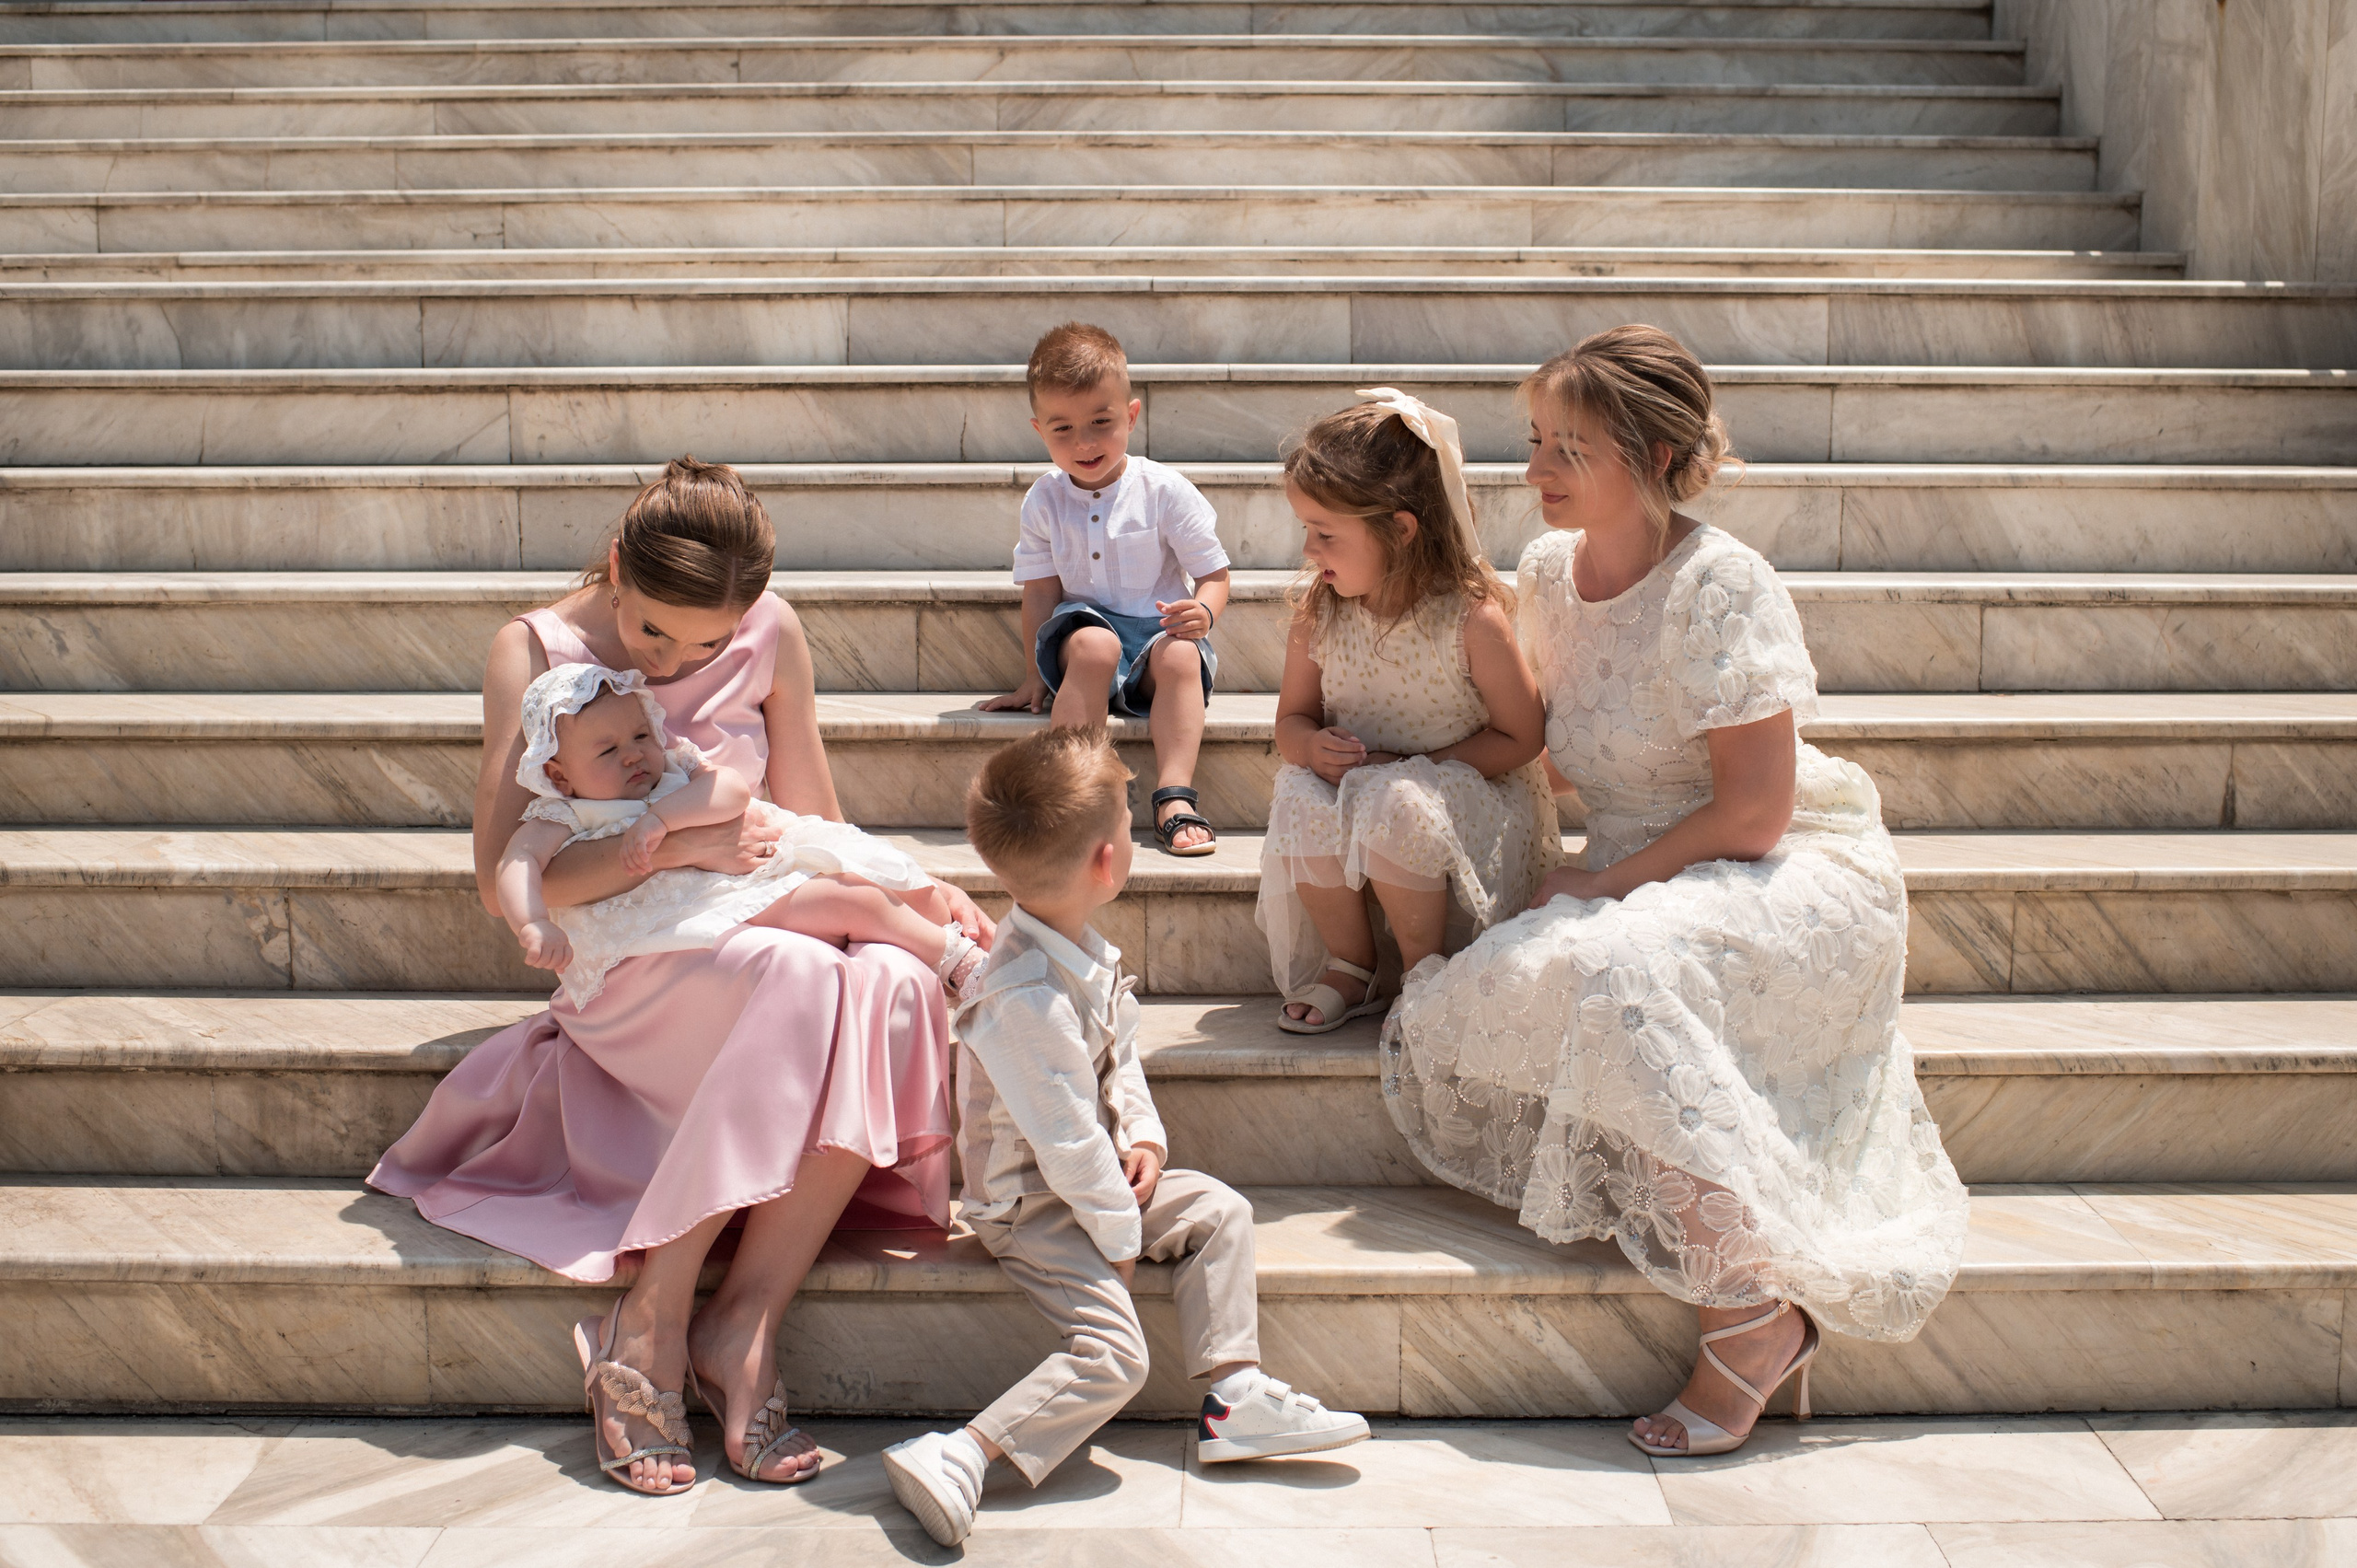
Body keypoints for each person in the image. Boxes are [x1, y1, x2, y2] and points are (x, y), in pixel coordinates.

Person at [1380, 326, 1968, 1458]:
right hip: (1642, 867)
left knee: (1612, 965)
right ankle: (1748, 1298)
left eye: (1570, 448)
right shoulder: (1549, 571)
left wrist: (1599, 880)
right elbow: (1549, 744)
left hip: (1778, 864)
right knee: (1481, 996)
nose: (1537, 469)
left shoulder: (1723, 584)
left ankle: (1749, 1318)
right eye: (1534, 440)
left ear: (1649, 456)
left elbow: (1753, 811)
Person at [371, 456, 993, 1495]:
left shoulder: (774, 629)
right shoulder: (534, 650)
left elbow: (809, 811)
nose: (675, 660)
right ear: (617, 566)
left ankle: (742, 1316)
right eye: (656, 629)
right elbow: (502, 878)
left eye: (709, 641)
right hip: (631, 958)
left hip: (758, 921)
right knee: (800, 970)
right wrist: (668, 849)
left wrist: (915, 888)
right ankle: (654, 1315)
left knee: (891, 977)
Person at [880, 726, 1369, 1548]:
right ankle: (963, 1451)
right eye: (1126, 829)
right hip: (1032, 1205)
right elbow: (1066, 1141)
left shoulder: (1076, 950)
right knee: (1116, 1354)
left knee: (1217, 1209)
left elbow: (1119, 1064)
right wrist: (1114, 1238)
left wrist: (1144, 1136)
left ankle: (1234, 1393)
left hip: (1097, 1177)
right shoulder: (1023, 995)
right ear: (1109, 862)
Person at [1259, 389, 1559, 1033]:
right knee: (1297, 793)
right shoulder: (1322, 612)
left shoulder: (1470, 619)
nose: (1311, 549)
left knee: (1397, 796)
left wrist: (1425, 766)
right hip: (1363, 790)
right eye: (1307, 530)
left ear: (1399, 528)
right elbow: (1292, 721)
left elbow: (1523, 735)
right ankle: (1353, 960)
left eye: (1325, 533)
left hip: (1463, 801)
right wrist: (1311, 749)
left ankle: (1427, 966)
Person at [495, 660, 986, 1007]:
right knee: (855, 901)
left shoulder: (674, 772)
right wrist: (533, 922)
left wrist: (663, 818)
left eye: (640, 736)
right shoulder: (564, 814)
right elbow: (517, 864)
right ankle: (962, 965)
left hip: (749, 874)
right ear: (560, 775)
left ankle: (940, 945)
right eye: (607, 751)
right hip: (698, 905)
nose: (632, 755)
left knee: (908, 889)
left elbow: (729, 789)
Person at [976, 321, 1232, 856]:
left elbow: (1213, 573)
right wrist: (1032, 674)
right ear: (1039, 430)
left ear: (1131, 416)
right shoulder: (1045, 500)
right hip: (1085, 635)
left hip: (1157, 635)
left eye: (1100, 422)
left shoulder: (1163, 490)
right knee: (1097, 644)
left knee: (1184, 658)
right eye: (1062, 429)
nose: (1084, 442)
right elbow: (1042, 591)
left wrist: (1203, 613)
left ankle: (1174, 796)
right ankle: (1079, 789)